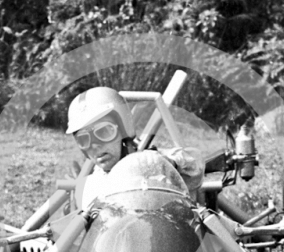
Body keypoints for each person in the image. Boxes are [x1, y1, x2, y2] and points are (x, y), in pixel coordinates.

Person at [66, 87, 204, 207]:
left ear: (123, 129)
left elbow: (195, 165)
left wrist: (169, 162)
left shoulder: (153, 162)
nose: (95, 146)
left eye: (104, 132)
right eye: (84, 139)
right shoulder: (90, 186)